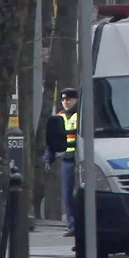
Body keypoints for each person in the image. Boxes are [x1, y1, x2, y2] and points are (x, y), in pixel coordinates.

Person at [49, 88, 80, 235]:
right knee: (67, 195)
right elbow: (52, 140)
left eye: (68, 99)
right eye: (63, 99)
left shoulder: (81, 115)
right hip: (67, 160)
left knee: (81, 194)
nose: (65, 102)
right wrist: (49, 157)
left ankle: (82, 223)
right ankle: (72, 225)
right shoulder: (59, 117)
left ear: (76, 100)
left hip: (81, 159)